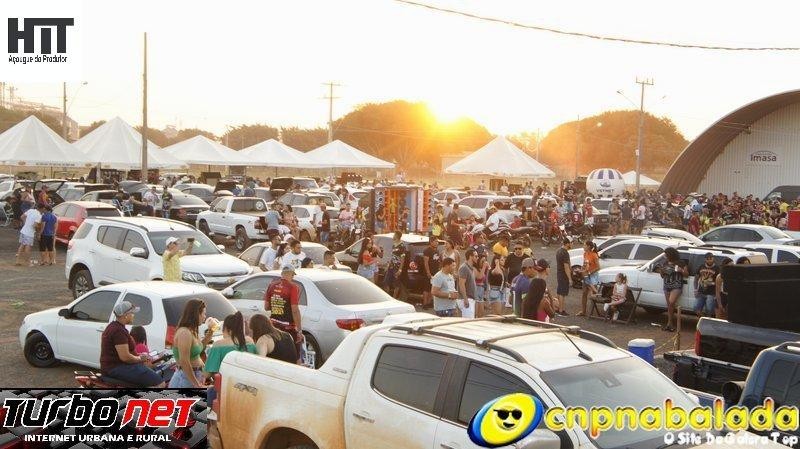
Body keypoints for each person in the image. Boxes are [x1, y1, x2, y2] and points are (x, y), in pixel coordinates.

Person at [100, 301, 165, 387]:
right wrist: (140, 358)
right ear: (125, 315)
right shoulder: (118, 331)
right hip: (116, 368)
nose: (133, 315)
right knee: (160, 383)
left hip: (115, 367)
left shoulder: (115, 327)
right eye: (132, 313)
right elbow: (125, 357)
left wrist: (140, 356)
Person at [264, 265, 304, 363]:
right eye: (293, 275)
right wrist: (299, 331)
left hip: (273, 326)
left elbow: (266, 307)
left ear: (282, 274)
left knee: (274, 356)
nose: (293, 277)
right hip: (288, 328)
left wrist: (278, 305)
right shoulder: (293, 287)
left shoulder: (272, 285)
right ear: (291, 274)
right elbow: (295, 310)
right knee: (296, 358)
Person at [169, 299, 213, 388]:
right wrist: (196, 384)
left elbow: (199, 347)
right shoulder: (184, 333)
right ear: (196, 314)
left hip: (194, 376)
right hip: (186, 379)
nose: (205, 317)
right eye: (203, 314)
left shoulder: (192, 331)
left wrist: (210, 333)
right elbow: (184, 361)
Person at [204, 312, 256, 377]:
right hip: (248, 380)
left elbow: (207, 375)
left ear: (227, 330)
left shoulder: (218, 345)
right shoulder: (250, 341)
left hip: (226, 382)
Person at [656, 247, 689, 332]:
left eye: (666, 255)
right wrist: (661, 271)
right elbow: (662, 276)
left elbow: (686, 274)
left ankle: (670, 323)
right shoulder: (665, 263)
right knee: (669, 306)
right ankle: (669, 323)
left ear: (670, 254)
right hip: (666, 285)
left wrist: (681, 271)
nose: (665, 256)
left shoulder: (681, 263)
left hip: (676, 285)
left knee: (671, 302)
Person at [578, 241, 600, 317]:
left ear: (589, 246)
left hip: (593, 276)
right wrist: (581, 270)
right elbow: (584, 264)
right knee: (584, 293)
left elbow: (598, 267)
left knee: (593, 294)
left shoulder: (594, 255)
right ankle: (583, 311)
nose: (583, 246)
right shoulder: (585, 254)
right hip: (586, 276)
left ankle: (591, 312)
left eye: (584, 245)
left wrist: (590, 272)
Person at [694, 253, 719, 317]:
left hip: (711, 293)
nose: (709, 260)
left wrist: (712, 284)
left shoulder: (717, 268)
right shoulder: (701, 267)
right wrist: (695, 289)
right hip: (701, 292)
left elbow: (719, 281)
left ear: (713, 258)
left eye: (711, 258)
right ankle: (703, 319)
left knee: (709, 310)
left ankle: (707, 321)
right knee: (696, 308)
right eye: (707, 259)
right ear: (705, 259)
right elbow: (696, 278)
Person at [384, 231, 406, 297]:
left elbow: (403, 258)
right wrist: (388, 265)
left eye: (394, 235)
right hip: (391, 266)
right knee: (386, 282)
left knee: (396, 283)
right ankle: (388, 296)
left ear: (396, 236)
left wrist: (400, 269)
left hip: (397, 266)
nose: (393, 236)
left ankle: (394, 297)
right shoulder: (394, 245)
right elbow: (392, 256)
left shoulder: (402, 246)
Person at [554, 238, 572, 316]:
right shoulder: (565, 253)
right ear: (567, 243)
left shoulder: (559, 251)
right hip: (563, 275)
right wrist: (570, 278)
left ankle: (558, 308)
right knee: (562, 292)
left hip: (559, 273)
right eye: (571, 242)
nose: (572, 244)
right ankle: (561, 310)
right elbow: (566, 267)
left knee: (559, 291)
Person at [456, 249, 477, 316]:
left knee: (470, 320)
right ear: (470, 257)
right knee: (468, 321)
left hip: (470, 298)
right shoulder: (464, 268)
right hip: (466, 299)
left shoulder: (470, 268)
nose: (477, 258)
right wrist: (465, 299)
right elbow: (461, 284)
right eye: (476, 256)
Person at [422, 236, 441, 308]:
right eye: (436, 241)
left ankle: (429, 302)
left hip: (435, 272)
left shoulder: (437, 250)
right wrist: (428, 272)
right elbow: (426, 263)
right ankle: (425, 304)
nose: (437, 243)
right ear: (431, 242)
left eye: (437, 241)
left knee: (432, 288)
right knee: (426, 288)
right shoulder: (427, 251)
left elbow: (438, 261)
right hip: (429, 272)